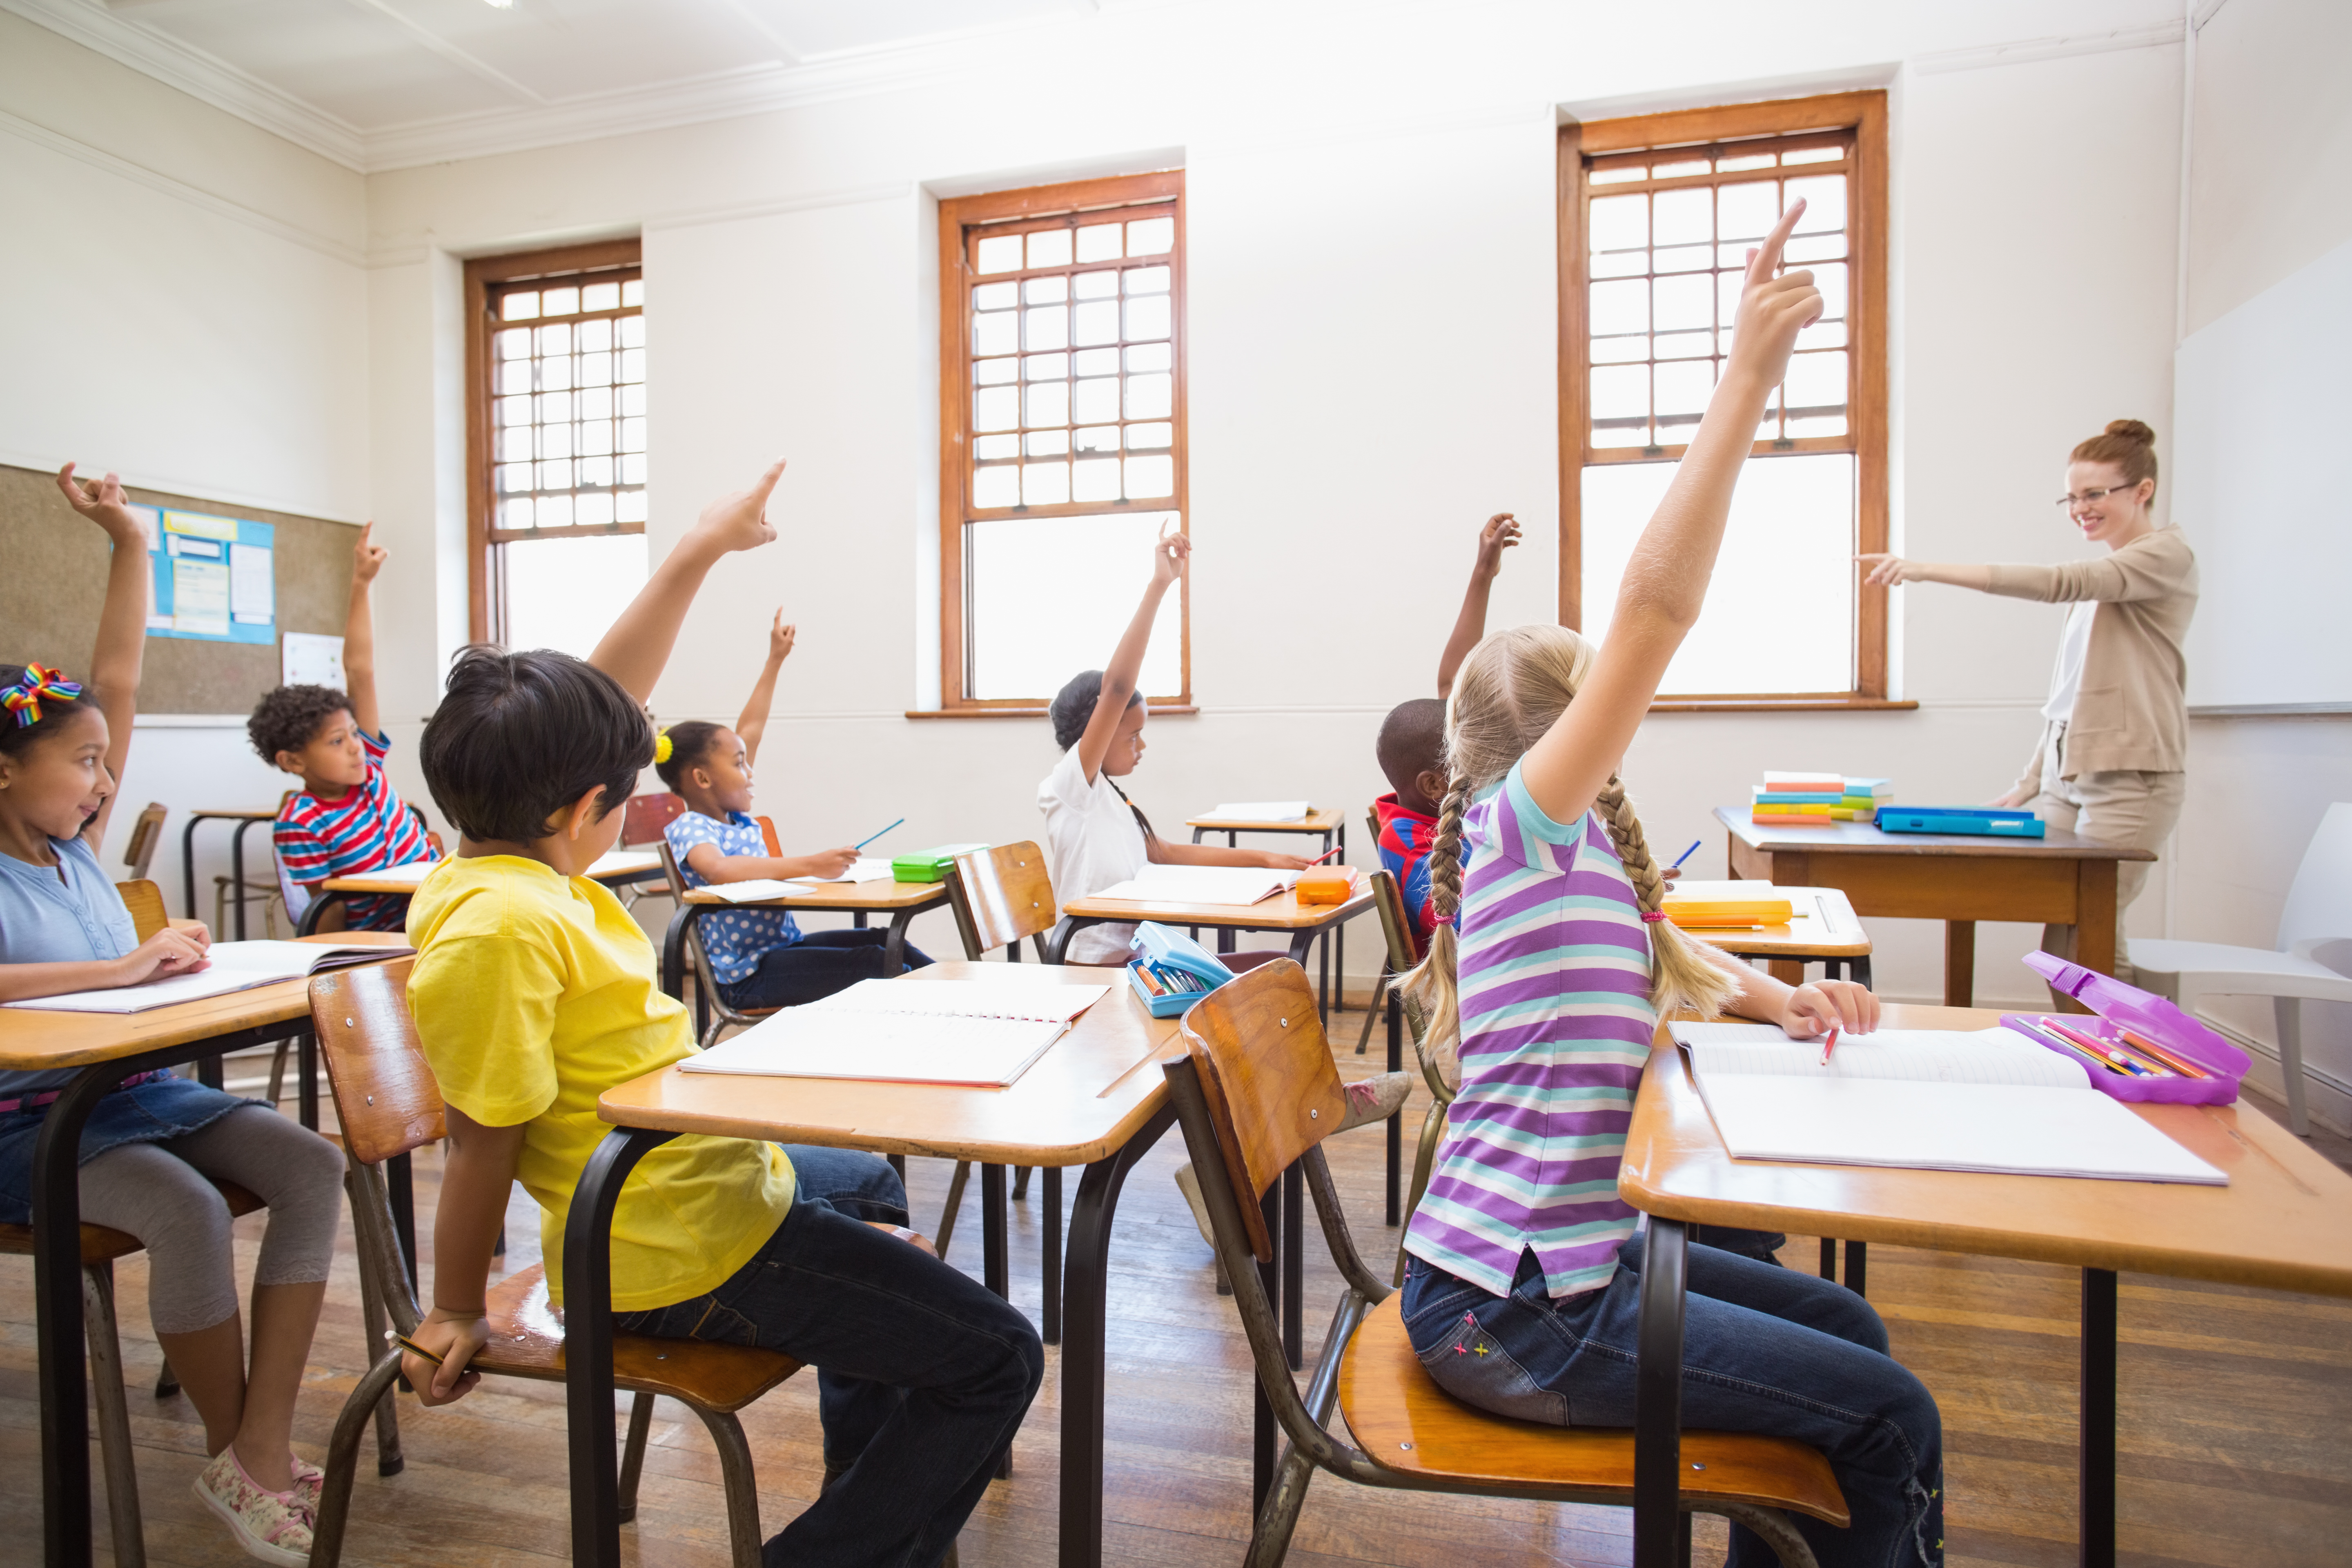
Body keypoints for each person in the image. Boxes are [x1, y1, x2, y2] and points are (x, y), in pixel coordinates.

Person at [1400, 204, 1944, 1568]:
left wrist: (1778, 1000)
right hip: (1511, 1309)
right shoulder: (1524, 832)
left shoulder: (1574, 851)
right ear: (1558, 737)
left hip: (1571, 1271)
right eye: (1601, 706)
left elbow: (1656, 957)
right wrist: (1746, 385)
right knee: (1889, 1415)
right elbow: (1657, 610)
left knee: (1860, 1341)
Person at [400, 460, 1040, 1568]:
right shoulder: (500, 929)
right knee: (998, 1357)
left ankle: (872, 1491)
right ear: (584, 807)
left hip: (701, 1178)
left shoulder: (516, 859)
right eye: (627, 779)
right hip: (668, 1243)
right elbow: (479, 1139)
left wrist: (699, 548)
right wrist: (455, 1305)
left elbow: (600, 700)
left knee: (874, 1185)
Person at [1, 465, 344, 1566]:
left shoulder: (75, 851)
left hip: (134, 1088)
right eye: (82, 764)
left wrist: (131, 544)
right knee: (191, 1212)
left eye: (107, 762)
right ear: (6, 772)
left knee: (311, 1165)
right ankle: (236, 1453)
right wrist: (120, 971)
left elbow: (116, 677)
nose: (104, 783)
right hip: (33, 1125)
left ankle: (257, 1442)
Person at [1041, 529, 1409, 1256]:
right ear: (1098, 732)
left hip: (1141, 961)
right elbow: (1116, 687)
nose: (1141, 744)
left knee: (1276, 972)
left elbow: (1168, 853)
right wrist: (1158, 587)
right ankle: (1246, 1160)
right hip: (1098, 975)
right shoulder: (1072, 791)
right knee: (1241, 1006)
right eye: (1131, 733)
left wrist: (1275, 860)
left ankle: (1297, 1117)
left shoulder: (1112, 798)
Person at [1860, 420, 2194, 976]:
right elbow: (2073, 696)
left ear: (2143, 491)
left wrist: (1925, 570)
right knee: (2064, 946)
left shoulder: (2162, 557)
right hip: (2074, 772)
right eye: (2073, 497)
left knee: (2095, 942)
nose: (2081, 508)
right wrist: (2032, 780)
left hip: (2131, 774)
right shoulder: (2106, 583)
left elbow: (2058, 581)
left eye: (2095, 495)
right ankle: (2085, 1059)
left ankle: (2131, 1063)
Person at [657, 610, 931, 1009]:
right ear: (702, 779)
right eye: (739, 764)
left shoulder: (736, 821)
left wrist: (775, 659)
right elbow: (718, 869)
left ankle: (963, 996)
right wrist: (810, 864)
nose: (750, 770)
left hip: (783, 949)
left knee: (886, 942)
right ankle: (946, 1013)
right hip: (748, 976)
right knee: (878, 961)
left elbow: (749, 730)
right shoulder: (692, 827)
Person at [249, 521, 435, 931]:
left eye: (353, 733)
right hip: (383, 939)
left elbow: (359, 670)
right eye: (337, 741)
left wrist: (361, 585)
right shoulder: (302, 821)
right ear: (293, 761)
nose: (355, 746)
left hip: (437, 912)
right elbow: (327, 912)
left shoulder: (370, 768)